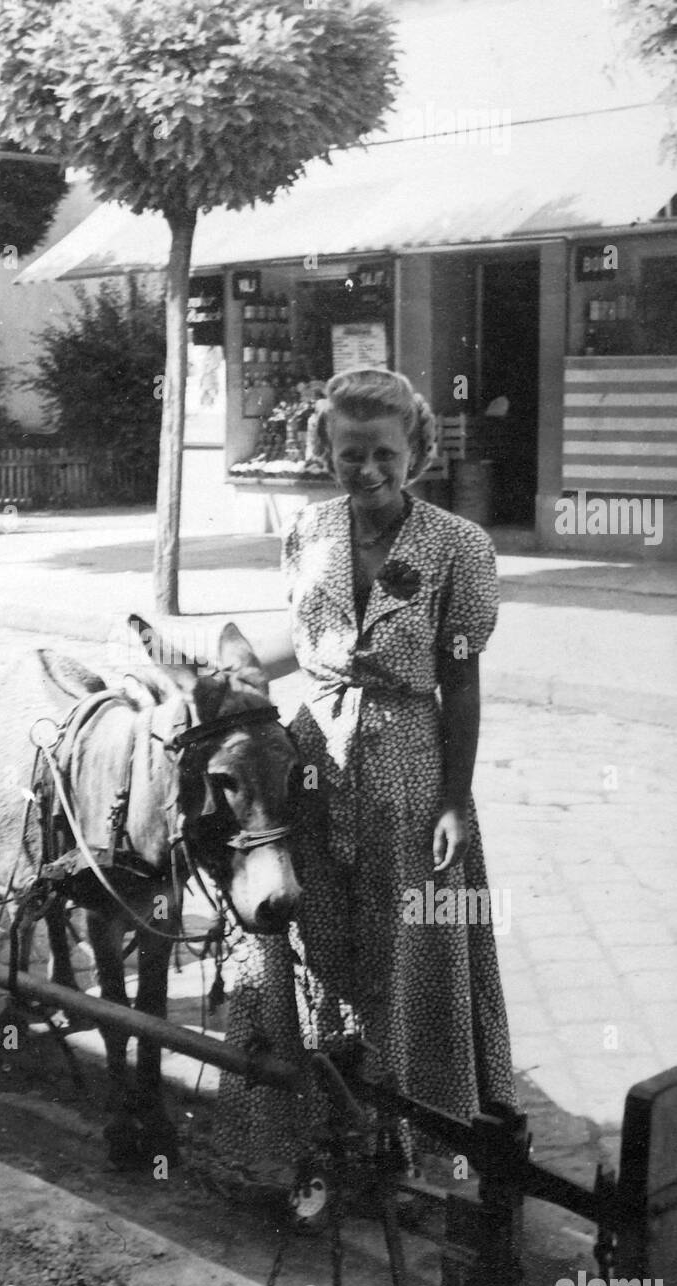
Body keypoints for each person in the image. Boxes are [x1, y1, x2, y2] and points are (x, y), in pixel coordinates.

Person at [212, 366, 516, 1198]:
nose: (368, 471)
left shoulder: (460, 547)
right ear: (326, 451)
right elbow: (306, 644)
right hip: (312, 767)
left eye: (384, 453)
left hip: (409, 774)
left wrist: (453, 798)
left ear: (416, 450)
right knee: (310, 941)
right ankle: (318, 1131)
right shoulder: (308, 532)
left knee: (406, 954)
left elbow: (462, 684)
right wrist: (223, 655)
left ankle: (418, 1148)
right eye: (350, 455)